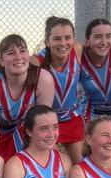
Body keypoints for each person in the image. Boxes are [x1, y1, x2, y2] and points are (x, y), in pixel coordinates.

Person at [0, 34, 54, 161]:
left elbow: (45, 123)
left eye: (22, 51)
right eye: (11, 53)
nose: (18, 57)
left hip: (22, 134)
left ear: (28, 55)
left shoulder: (43, 79)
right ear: (1, 61)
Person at [35, 17, 86, 163]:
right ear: (47, 41)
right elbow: (19, 63)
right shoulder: (38, 60)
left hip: (72, 117)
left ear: (74, 39)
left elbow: (98, 42)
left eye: (68, 38)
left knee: (80, 164)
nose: (63, 43)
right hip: (48, 121)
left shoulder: (77, 50)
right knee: (55, 164)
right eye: (57, 39)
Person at [80, 19, 111, 121]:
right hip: (90, 118)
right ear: (87, 40)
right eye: (98, 37)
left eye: (108, 36)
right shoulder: (79, 56)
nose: (104, 42)